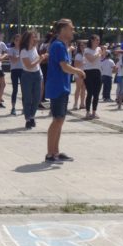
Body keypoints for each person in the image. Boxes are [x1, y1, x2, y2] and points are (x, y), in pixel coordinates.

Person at [46, 19, 83, 163]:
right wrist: (78, 71)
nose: (73, 31)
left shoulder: (62, 45)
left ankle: (56, 151)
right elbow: (64, 66)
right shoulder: (58, 45)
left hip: (63, 86)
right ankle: (50, 153)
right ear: (63, 30)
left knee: (60, 120)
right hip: (57, 87)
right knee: (57, 120)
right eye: (71, 28)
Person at [20, 31, 48, 130]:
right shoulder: (24, 51)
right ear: (28, 39)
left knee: (37, 98)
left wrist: (42, 58)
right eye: (33, 37)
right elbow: (29, 65)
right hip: (27, 75)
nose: (35, 39)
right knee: (27, 98)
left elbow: (36, 64)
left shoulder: (34, 49)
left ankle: (32, 116)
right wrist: (40, 59)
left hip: (36, 75)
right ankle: (28, 119)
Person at [82, 35, 104, 119]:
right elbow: (91, 59)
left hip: (97, 71)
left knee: (96, 94)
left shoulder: (98, 49)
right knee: (90, 92)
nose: (98, 41)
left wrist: (102, 52)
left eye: (98, 40)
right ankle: (87, 111)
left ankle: (94, 111)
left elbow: (102, 57)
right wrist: (99, 53)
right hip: (88, 72)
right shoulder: (87, 50)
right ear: (92, 40)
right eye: (96, 40)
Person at [7, 34, 22, 115]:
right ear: (14, 41)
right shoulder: (10, 49)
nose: (18, 42)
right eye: (16, 40)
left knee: (24, 89)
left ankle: (24, 107)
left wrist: (17, 57)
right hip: (14, 70)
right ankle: (13, 107)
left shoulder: (23, 49)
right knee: (15, 89)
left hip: (23, 70)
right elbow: (14, 61)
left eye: (19, 40)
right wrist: (18, 57)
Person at [71, 41, 86, 111]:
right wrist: (83, 62)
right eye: (81, 46)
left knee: (83, 89)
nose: (83, 47)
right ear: (79, 47)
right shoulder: (78, 55)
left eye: (84, 46)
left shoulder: (85, 54)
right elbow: (76, 65)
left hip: (84, 72)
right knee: (78, 88)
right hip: (78, 73)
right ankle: (75, 104)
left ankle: (82, 104)